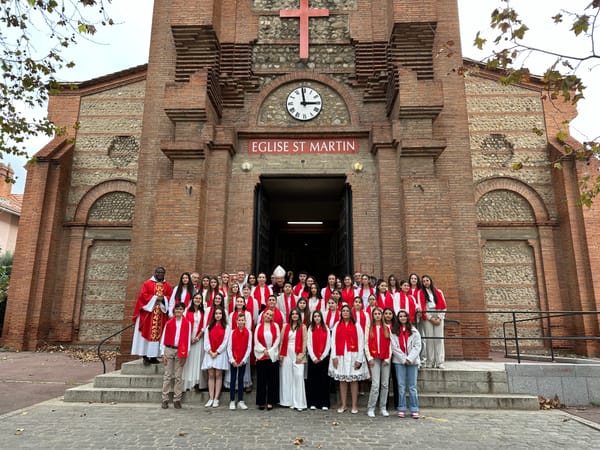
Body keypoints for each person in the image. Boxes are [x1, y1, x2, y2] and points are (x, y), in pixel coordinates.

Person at [329, 304, 369, 414]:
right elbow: (333, 342)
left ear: (350, 313)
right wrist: (334, 357)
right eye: (343, 311)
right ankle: (343, 404)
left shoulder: (357, 325)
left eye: (347, 311)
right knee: (342, 380)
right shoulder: (337, 325)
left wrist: (359, 359)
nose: (345, 312)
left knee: (353, 380)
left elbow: (361, 342)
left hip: (353, 355)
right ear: (341, 313)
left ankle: (354, 405)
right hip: (340, 355)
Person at [131, 267, 174, 365]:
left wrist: (163, 299)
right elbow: (143, 296)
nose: (160, 274)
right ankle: (145, 356)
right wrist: (155, 298)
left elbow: (170, 297)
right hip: (148, 314)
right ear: (155, 273)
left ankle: (154, 356)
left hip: (160, 314)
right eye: (158, 272)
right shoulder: (147, 284)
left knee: (158, 336)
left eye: (162, 272)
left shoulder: (167, 286)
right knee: (146, 335)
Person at [391, 310, 422, 418]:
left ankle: (414, 408)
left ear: (407, 318)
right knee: (401, 386)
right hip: (399, 362)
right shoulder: (394, 331)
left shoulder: (414, 331)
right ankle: (402, 407)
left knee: (412, 386)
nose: (402, 318)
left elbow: (417, 346)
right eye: (400, 316)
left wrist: (410, 358)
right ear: (398, 318)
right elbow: (394, 347)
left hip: (412, 362)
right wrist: (404, 359)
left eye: (404, 316)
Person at [160, 302, 190, 409]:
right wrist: (162, 353)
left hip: (180, 351)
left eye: (181, 309)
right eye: (177, 309)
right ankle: (165, 399)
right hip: (169, 349)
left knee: (178, 376)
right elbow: (163, 338)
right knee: (167, 375)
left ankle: (177, 399)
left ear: (183, 311)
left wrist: (186, 354)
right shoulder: (169, 323)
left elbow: (188, 340)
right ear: (174, 310)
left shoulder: (187, 323)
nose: (178, 311)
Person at [279, 308, 308, 411]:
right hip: (286, 353)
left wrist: (301, 355)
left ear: (299, 316)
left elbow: (305, 341)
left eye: (296, 314)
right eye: (293, 314)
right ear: (290, 315)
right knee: (287, 377)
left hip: (297, 353)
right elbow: (281, 341)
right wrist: (281, 355)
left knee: (298, 376)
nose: (294, 315)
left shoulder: (303, 327)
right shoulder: (285, 326)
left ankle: (299, 402)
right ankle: (288, 401)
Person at [365, 308, 392, 418]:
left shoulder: (387, 328)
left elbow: (391, 344)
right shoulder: (369, 328)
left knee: (385, 384)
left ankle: (383, 407)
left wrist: (388, 358)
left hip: (385, 358)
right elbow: (365, 344)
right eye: (375, 314)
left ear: (382, 315)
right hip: (374, 358)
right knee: (375, 384)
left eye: (379, 314)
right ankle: (371, 408)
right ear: (373, 315)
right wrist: (369, 357)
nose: (377, 315)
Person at [202, 306, 230, 408]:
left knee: (218, 374)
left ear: (223, 315)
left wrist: (217, 352)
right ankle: (211, 397)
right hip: (210, 353)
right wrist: (210, 351)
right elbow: (206, 341)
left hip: (220, 354)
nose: (218, 315)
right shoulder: (209, 326)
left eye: (220, 313)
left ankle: (216, 398)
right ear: (214, 315)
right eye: (216, 313)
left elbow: (225, 341)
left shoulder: (226, 327)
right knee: (211, 375)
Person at [254, 309, 281, 410]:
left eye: (270, 315)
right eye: (267, 314)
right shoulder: (258, 327)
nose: (268, 316)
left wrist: (270, 351)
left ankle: (270, 401)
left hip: (272, 355)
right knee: (261, 380)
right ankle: (261, 402)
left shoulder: (276, 326)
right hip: (262, 355)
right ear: (264, 315)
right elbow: (256, 340)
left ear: (272, 317)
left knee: (272, 380)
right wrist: (263, 350)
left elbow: (278, 338)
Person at [306, 310, 331, 410]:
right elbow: (309, 343)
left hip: (323, 359)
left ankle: (324, 403)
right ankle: (313, 402)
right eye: (315, 316)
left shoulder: (326, 329)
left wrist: (322, 356)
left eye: (318, 316)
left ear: (321, 318)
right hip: (313, 359)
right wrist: (313, 357)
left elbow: (328, 344)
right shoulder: (310, 328)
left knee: (323, 381)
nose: (316, 318)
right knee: (313, 381)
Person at [421, 275, 447, 369]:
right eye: (423, 281)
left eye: (427, 280)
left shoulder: (439, 292)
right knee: (430, 339)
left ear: (430, 281)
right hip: (428, 316)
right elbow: (423, 307)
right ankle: (430, 361)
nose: (426, 282)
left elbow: (444, 306)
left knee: (439, 339)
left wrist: (440, 318)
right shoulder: (422, 293)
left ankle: (440, 362)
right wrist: (430, 318)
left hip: (438, 314)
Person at [227, 311, 252, 410]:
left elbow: (249, 347)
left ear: (245, 321)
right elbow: (229, 347)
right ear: (236, 321)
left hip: (243, 360)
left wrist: (244, 359)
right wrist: (232, 359)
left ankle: (241, 400)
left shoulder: (249, 332)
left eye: (242, 320)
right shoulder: (232, 332)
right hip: (234, 359)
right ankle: (232, 400)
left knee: (241, 379)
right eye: (239, 320)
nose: (241, 322)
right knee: (233, 379)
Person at [183, 293, 206, 392]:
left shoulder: (202, 312)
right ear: (192, 299)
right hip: (188, 339)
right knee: (189, 361)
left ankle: (196, 382)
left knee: (197, 361)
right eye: (196, 298)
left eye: (200, 298)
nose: (198, 300)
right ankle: (188, 383)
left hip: (198, 340)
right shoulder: (187, 311)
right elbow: (184, 325)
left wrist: (197, 338)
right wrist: (189, 339)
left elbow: (203, 327)